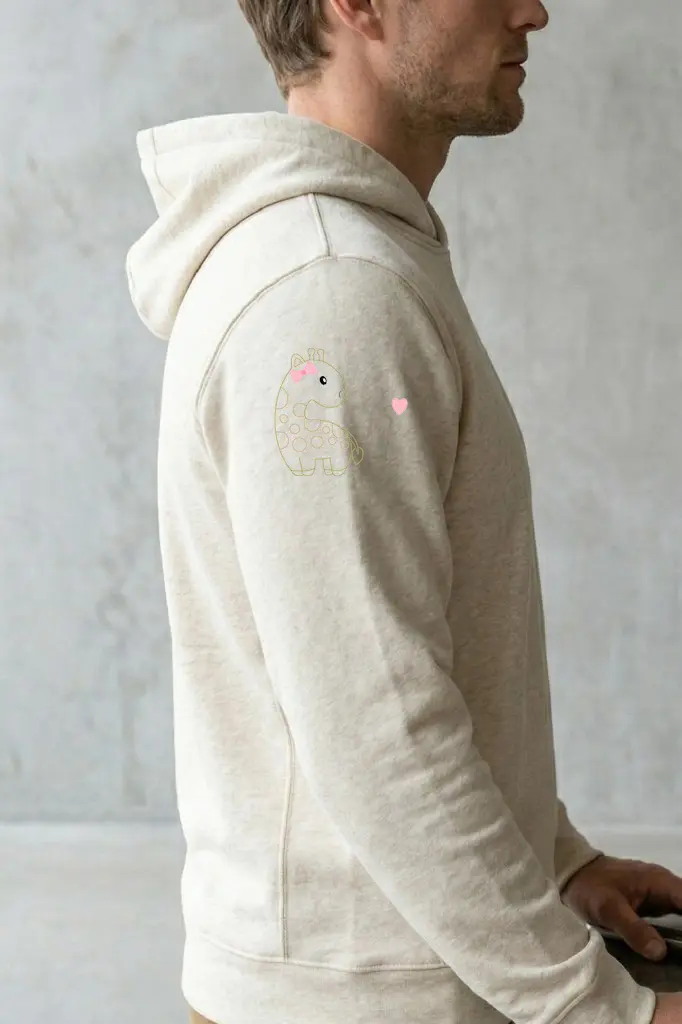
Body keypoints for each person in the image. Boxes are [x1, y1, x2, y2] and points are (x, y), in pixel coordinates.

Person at [125, 1, 682, 1022]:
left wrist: (554, 861)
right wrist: (600, 1008)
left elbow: (396, 657)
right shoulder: (329, 294)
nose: (533, 10)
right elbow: (376, 725)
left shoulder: (355, 262)